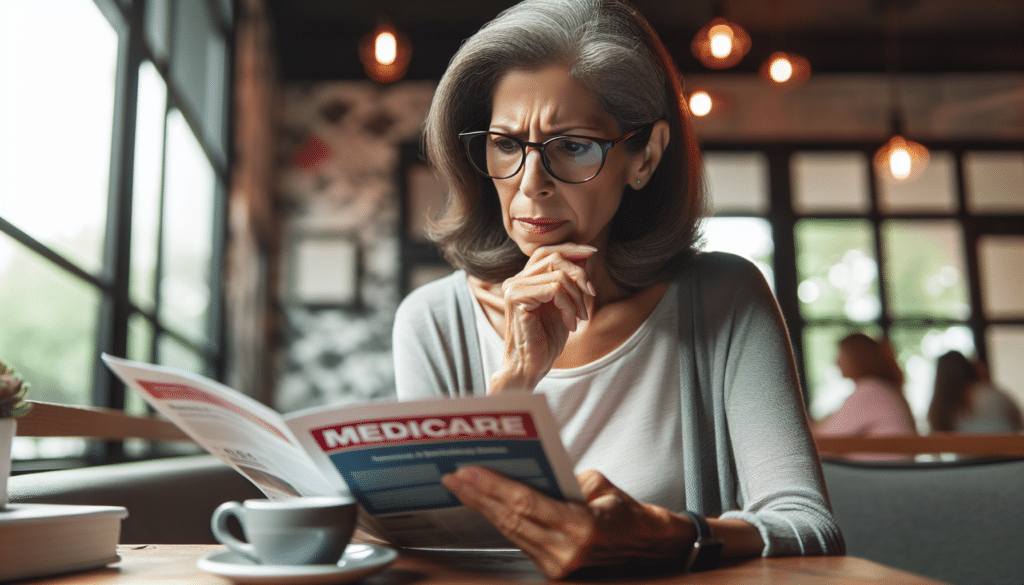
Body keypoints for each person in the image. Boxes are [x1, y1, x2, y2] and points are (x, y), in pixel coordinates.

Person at [392, 0, 844, 578]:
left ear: (645, 157)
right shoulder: (432, 321)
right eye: (506, 144)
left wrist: (668, 536)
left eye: (573, 146)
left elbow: (810, 527)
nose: (531, 185)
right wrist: (511, 390)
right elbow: (434, 547)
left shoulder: (724, 297)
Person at [813, 333, 917, 438]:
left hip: (883, 453)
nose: (836, 362)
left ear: (856, 358)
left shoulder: (870, 390)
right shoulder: (879, 388)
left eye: (841, 355)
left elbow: (825, 435)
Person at [928, 351, 1023, 433]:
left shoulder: (942, 409)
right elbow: (1018, 418)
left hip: (970, 454)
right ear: (967, 367)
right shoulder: (988, 393)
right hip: (1011, 451)